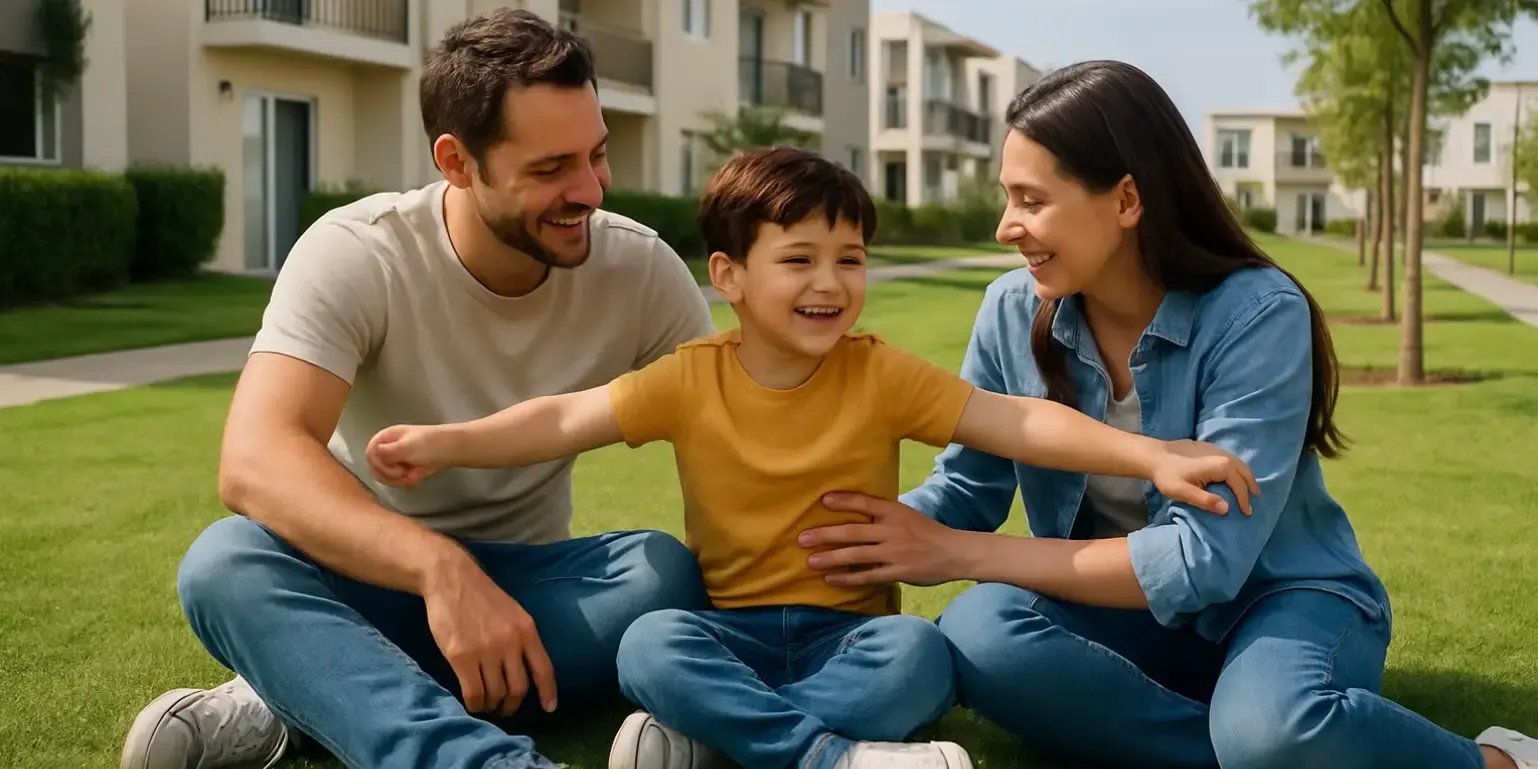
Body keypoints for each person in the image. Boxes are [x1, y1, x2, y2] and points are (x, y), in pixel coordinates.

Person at [363, 146, 1261, 769]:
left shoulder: (879, 375)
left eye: (850, 258)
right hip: (730, 632)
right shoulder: (688, 378)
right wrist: (450, 442)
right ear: (730, 278)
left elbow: (1020, 423)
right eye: (798, 259)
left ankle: (719, 744)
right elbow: (564, 420)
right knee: (650, 642)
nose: (830, 283)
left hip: (854, 637)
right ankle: (825, 754)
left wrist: (1150, 456)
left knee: (923, 654)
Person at [797, 60, 1538, 769]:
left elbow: (1204, 559)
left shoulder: (1256, 313)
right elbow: (968, 487)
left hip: (1278, 599)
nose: (1005, 226)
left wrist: (959, 554)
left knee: (1270, 726)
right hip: (1119, 617)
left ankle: (1487, 757)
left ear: (1125, 200)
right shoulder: (1009, 310)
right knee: (978, 631)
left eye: (1030, 200)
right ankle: (1251, 747)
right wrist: (842, 536)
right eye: (1006, 197)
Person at [118, 10, 718, 769]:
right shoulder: (359, 252)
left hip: (529, 599)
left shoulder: (642, 271)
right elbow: (255, 457)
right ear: (456, 160)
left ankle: (300, 694)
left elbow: (735, 430)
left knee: (661, 574)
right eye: (550, 168)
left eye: (597, 155)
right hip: (361, 575)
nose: (590, 190)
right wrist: (439, 569)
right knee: (224, 562)